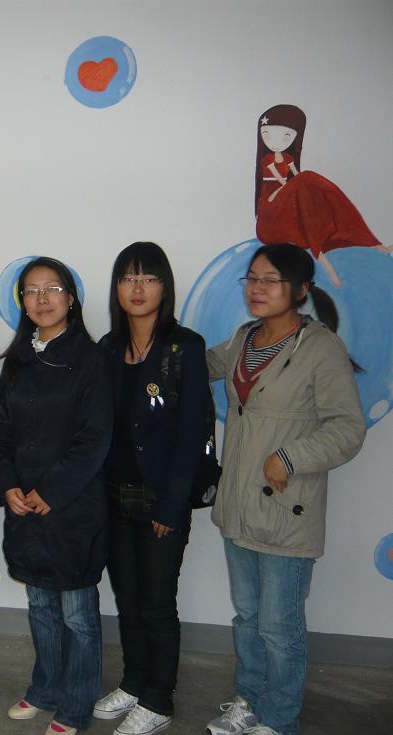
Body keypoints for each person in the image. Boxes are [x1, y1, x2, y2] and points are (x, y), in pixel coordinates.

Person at [204, 243, 366, 735]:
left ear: (300, 290)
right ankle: (249, 699)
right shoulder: (244, 338)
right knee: (247, 616)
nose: (257, 288)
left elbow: (348, 428)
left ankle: (278, 718)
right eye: (252, 278)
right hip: (238, 504)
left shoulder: (320, 347)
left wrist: (290, 457)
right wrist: (150, 346)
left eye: (270, 280)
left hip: (285, 509)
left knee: (279, 626)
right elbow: (196, 364)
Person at [93, 242, 211, 735]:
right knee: (127, 599)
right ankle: (135, 681)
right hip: (113, 497)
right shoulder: (106, 348)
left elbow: (195, 430)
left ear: (165, 286)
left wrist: (173, 503)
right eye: (128, 278)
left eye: (149, 278)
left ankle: (159, 699)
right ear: (117, 288)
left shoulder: (185, 346)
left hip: (162, 501)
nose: (137, 288)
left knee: (157, 603)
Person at [0, 257, 113, 735]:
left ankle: (76, 705)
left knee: (78, 615)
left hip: (72, 506)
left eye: (53, 289)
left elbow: (95, 438)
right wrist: (8, 484)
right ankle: (45, 688)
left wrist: (51, 489)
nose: (42, 299)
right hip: (25, 505)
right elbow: (2, 432)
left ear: (71, 299)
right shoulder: (17, 360)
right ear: (22, 302)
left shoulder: (92, 360)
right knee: (40, 606)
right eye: (32, 291)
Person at [254, 104, 390, 287]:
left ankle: (367, 242)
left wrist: (301, 184)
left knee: (310, 182)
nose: (275, 141)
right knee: (307, 179)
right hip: (271, 209)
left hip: (287, 203)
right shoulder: (267, 160)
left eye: (286, 136)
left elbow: (297, 175)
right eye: (267, 134)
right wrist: (297, 185)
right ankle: (320, 253)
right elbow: (282, 180)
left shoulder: (288, 158)